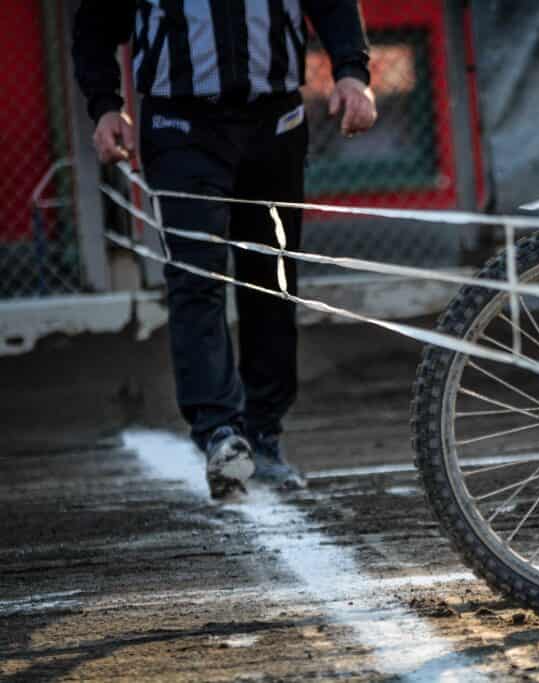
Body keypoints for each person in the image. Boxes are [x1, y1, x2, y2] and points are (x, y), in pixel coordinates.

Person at [72, 1, 377, 498]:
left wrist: (351, 74)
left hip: (275, 125)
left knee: (272, 278)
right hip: (181, 127)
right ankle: (219, 432)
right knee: (196, 276)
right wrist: (106, 106)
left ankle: (263, 432)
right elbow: (96, 21)